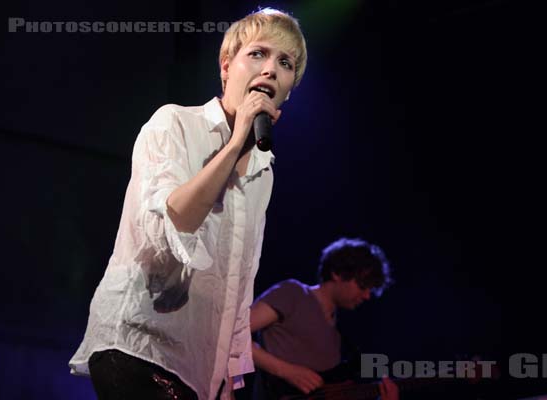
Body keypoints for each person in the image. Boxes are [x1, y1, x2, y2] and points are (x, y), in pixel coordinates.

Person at [68, 7, 307, 400]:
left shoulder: (264, 171)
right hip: (138, 347)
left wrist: (229, 376)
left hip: (197, 371)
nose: (270, 70)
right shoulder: (174, 124)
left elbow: (238, 280)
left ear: (288, 89)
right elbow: (177, 218)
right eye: (258, 54)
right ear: (227, 66)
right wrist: (234, 144)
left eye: (285, 63)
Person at [250, 238, 399, 400]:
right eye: (362, 285)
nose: (367, 295)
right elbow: (232, 334)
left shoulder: (340, 333)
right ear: (337, 273)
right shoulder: (293, 293)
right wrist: (286, 371)